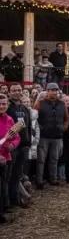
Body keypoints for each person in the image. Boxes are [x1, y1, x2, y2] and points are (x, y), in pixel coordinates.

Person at [34, 83, 69, 188]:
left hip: (57, 136)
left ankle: (53, 179)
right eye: (52, 90)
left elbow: (67, 118)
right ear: (47, 91)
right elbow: (34, 118)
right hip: (44, 136)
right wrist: (40, 128)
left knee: (55, 159)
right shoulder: (39, 103)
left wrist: (64, 128)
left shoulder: (62, 104)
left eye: (56, 90)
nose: (54, 92)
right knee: (41, 160)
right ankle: (39, 181)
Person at [6, 83, 32, 209]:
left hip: (24, 146)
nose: (17, 92)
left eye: (19, 90)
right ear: (9, 93)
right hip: (11, 147)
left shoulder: (24, 108)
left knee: (18, 174)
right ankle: (10, 201)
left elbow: (29, 127)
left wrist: (29, 143)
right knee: (9, 175)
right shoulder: (7, 108)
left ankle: (17, 199)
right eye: (14, 90)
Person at [0, 93, 19, 224]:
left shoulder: (10, 120)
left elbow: (17, 137)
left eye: (4, 104)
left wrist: (13, 144)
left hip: (6, 158)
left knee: (2, 186)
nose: (1, 106)